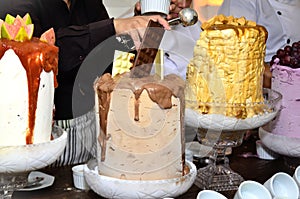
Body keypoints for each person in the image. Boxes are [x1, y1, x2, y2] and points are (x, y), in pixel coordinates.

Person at [0, 0, 192, 166]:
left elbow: (106, 53)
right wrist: (113, 27)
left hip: (89, 129)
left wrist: (141, 25)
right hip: (36, 136)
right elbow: (41, 55)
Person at [217, 0, 300, 88]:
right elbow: (234, 52)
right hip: (259, 85)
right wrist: (264, 72)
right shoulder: (240, 2)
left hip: (292, 81)